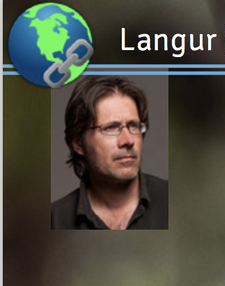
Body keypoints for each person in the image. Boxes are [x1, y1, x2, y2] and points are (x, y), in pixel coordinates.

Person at [52, 77, 167, 230]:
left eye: (133, 126)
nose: (128, 140)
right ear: (78, 143)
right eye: (111, 128)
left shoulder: (177, 202)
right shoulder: (55, 219)